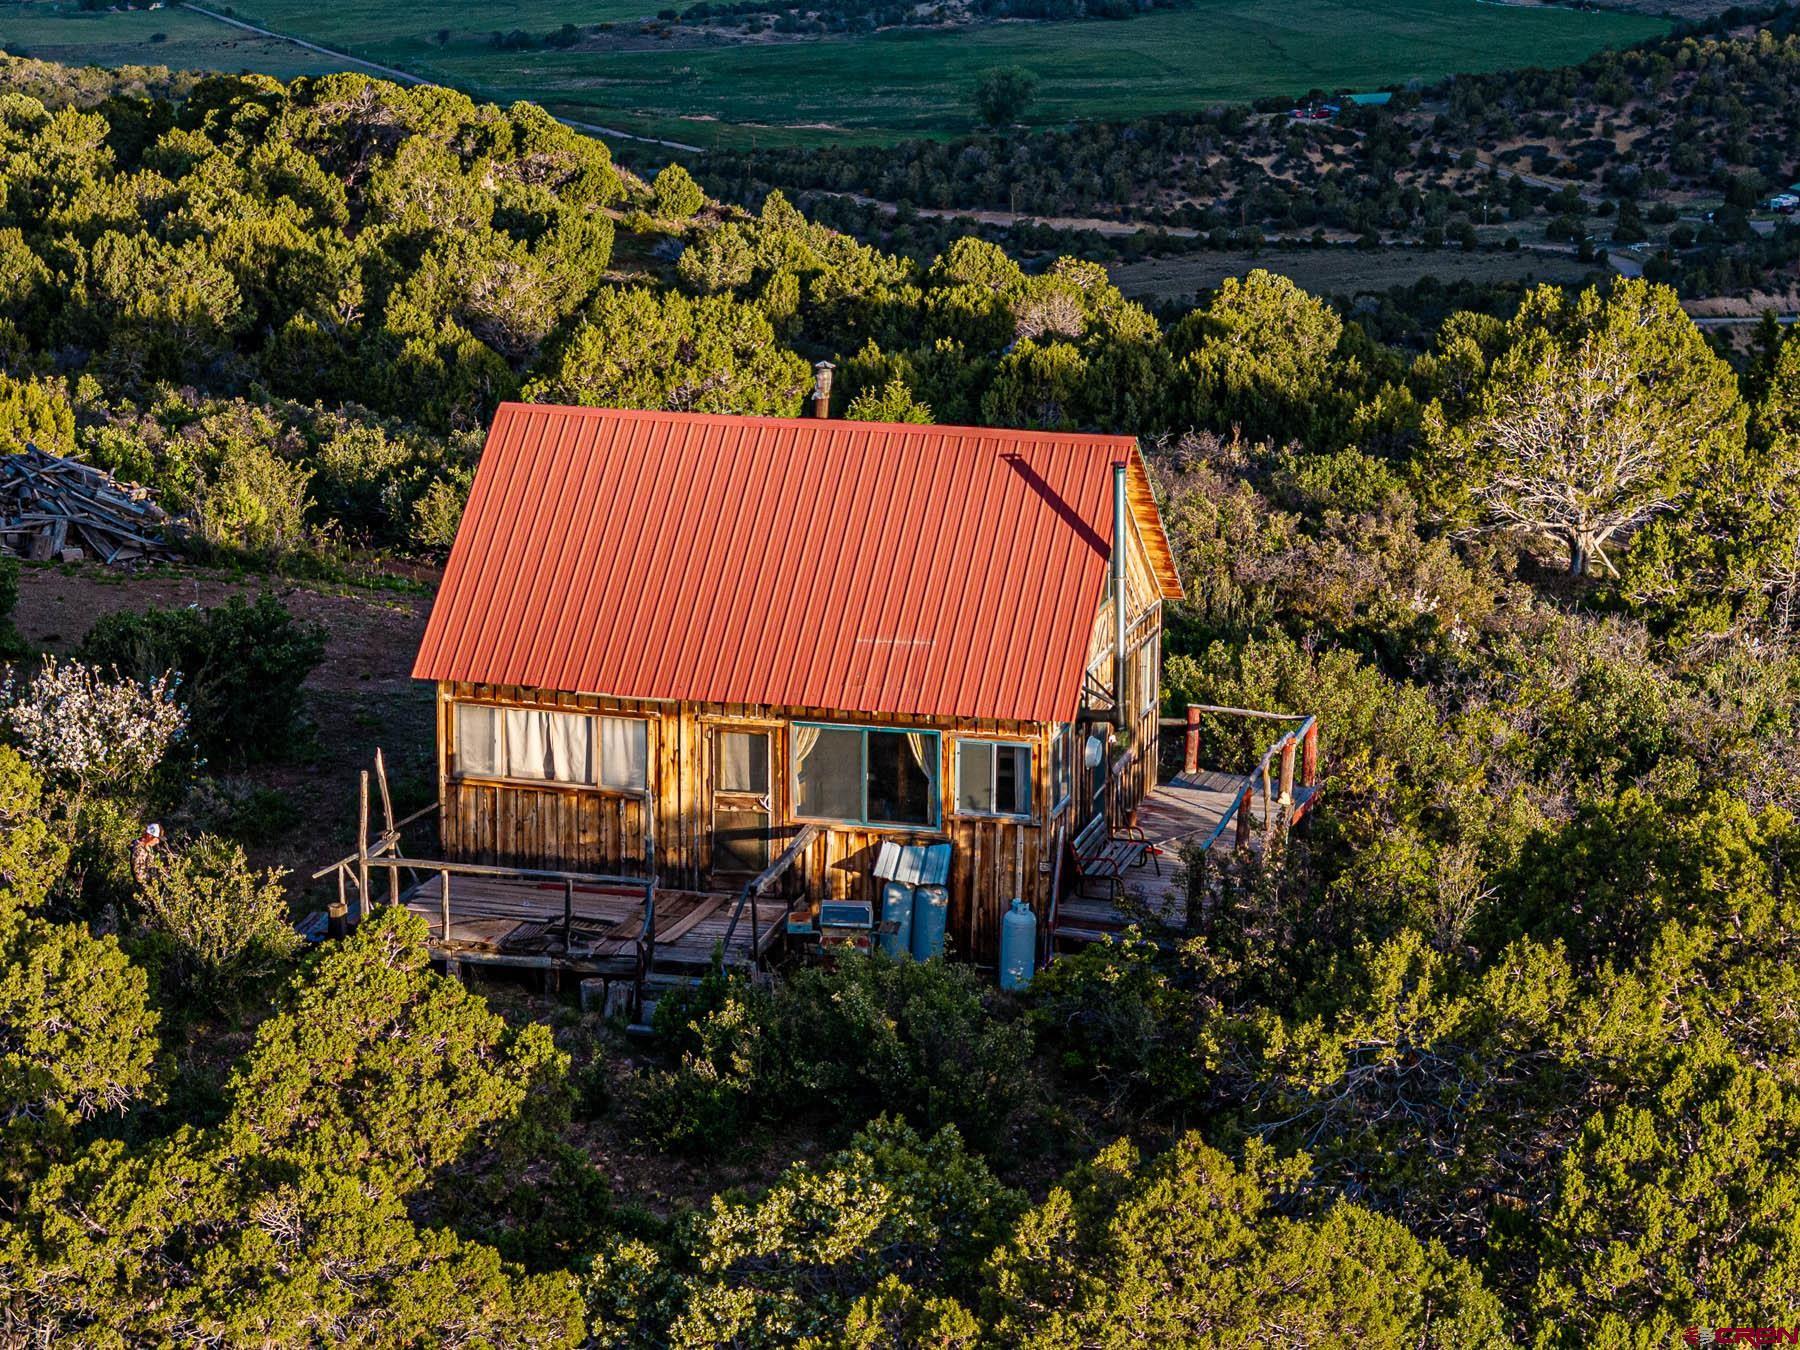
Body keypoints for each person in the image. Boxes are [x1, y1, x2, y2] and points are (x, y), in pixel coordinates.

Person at [131, 822, 163, 887]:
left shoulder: (146, 848)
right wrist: (153, 877)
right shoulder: (140, 850)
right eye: (157, 839)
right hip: (145, 888)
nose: (157, 842)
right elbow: (139, 876)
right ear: (150, 836)